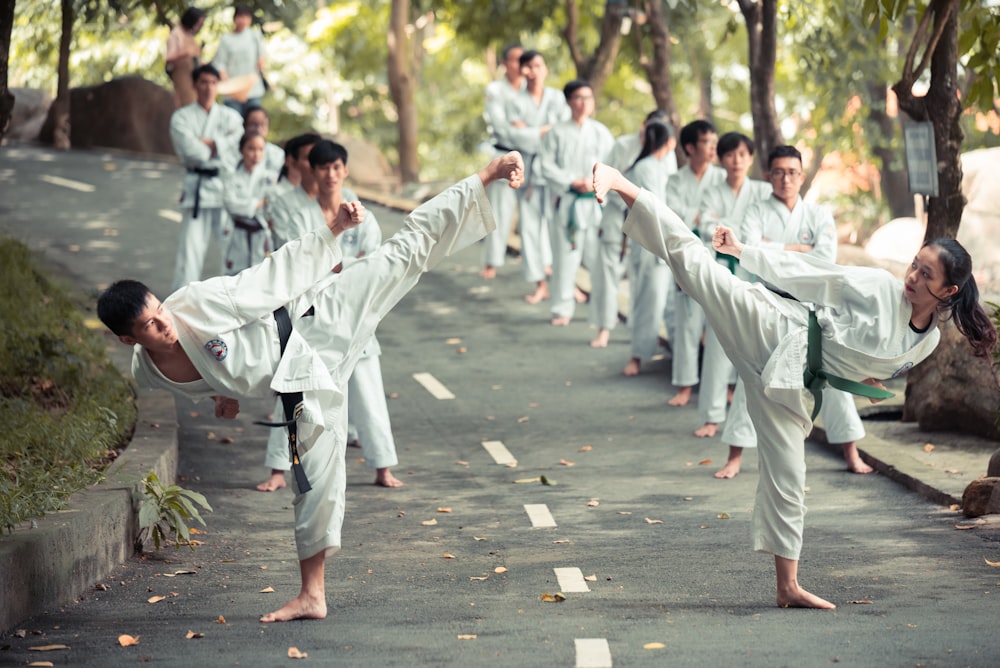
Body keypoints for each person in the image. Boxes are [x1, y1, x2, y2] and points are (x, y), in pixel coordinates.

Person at [97, 152, 525, 623]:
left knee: (404, 253)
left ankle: (487, 174)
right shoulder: (148, 371)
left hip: (316, 321)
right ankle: (312, 595)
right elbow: (211, 366)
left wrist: (334, 232)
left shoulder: (192, 305)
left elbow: (265, 279)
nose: (164, 325)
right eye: (150, 326)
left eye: (160, 312)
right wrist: (222, 393)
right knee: (314, 480)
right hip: (301, 381)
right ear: (128, 339)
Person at [592, 160, 996, 610]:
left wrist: (863, 379)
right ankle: (622, 183)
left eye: (926, 275)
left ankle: (788, 586)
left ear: (951, 291)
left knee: (789, 476)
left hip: (794, 385)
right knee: (698, 268)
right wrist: (745, 253)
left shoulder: (929, 341)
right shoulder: (882, 287)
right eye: (914, 266)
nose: (912, 278)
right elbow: (818, 275)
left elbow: (871, 371)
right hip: (775, 331)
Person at [257, 140, 404, 491]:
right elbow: (296, 260)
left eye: (337, 167)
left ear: (346, 170)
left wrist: (337, 266)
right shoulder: (296, 211)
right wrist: (331, 267)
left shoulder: (358, 210)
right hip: (312, 316)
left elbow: (374, 263)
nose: (331, 174)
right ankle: (278, 470)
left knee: (368, 392)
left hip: (354, 313)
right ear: (312, 170)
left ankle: (383, 466)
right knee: (296, 390)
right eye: (324, 167)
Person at [715, 145, 869, 478]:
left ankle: (851, 452)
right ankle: (735, 456)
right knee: (752, 374)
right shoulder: (755, 211)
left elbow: (824, 258)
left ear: (802, 175)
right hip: (768, 301)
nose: (786, 179)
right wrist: (799, 251)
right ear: (768, 175)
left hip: (810, 305)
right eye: (779, 172)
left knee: (830, 374)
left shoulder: (818, 213)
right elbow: (749, 252)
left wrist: (774, 251)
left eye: (792, 172)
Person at [693, 132, 771, 439]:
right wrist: (745, 236)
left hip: (754, 277)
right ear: (721, 159)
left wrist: (734, 232)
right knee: (716, 342)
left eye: (742, 154)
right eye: (729, 155)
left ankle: (757, 418)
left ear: (750, 158)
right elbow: (705, 226)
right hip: (723, 274)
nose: (736, 161)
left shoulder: (763, 191)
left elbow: (759, 234)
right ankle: (711, 416)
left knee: (756, 346)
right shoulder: (711, 191)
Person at [590, 109, 676, 349]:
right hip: (617, 212)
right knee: (608, 272)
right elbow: (603, 176)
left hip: (646, 221)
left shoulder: (666, 156)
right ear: (644, 124)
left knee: (643, 276)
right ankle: (604, 327)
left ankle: (636, 331)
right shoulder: (623, 145)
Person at [537, 80, 614, 327]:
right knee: (565, 258)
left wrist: (594, 183)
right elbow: (545, 166)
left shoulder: (601, 132)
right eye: (579, 98)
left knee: (598, 260)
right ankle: (562, 308)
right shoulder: (556, 132)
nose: (585, 103)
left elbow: (612, 166)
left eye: (588, 98)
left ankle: (601, 312)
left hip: (595, 203)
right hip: (568, 201)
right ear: (569, 101)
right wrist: (572, 181)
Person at [662, 120, 726, 398]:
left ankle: (727, 386)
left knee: (723, 324)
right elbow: (673, 220)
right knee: (687, 322)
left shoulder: (723, 179)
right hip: (686, 257)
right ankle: (686, 385)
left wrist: (700, 217)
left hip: (719, 259)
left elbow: (722, 218)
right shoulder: (675, 180)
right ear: (690, 147)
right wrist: (700, 217)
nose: (713, 147)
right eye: (706, 142)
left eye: (715, 141)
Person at [168, 63, 245, 291]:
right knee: (189, 252)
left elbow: (239, 147)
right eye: (203, 82)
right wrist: (219, 145)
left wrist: (210, 143)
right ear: (194, 84)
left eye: (213, 82)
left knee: (232, 248)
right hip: (197, 189)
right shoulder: (181, 117)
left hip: (224, 188)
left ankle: (236, 298)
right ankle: (182, 304)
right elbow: (194, 152)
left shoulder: (231, 117)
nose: (209, 87)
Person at [503, 49, 571, 304]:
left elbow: (563, 132)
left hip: (554, 171)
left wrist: (534, 132)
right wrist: (543, 132)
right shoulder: (515, 102)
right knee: (530, 228)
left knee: (558, 226)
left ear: (545, 69)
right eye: (528, 67)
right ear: (522, 71)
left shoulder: (556, 97)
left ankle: (564, 282)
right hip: (528, 171)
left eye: (538, 65)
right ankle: (540, 283)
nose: (533, 71)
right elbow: (516, 137)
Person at [618, 121, 677, 374]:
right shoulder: (644, 168)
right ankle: (638, 355)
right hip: (651, 241)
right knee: (649, 300)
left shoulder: (665, 166)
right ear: (669, 142)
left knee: (674, 303)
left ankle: (679, 355)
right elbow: (655, 206)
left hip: (672, 240)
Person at [480, 43, 525, 280]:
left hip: (530, 157)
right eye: (515, 60)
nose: (520, 65)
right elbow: (499, 125)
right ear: (505, 63)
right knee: (499, 212)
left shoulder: (532, 89)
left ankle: (538, 264)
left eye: (523, 60)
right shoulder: (496, 89)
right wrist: (525, 131)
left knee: (533, 214)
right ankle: (491, 262)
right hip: (504, 154)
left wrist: (525, 131)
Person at [221, 131, 278, 275]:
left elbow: (272, 205)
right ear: (242, 150)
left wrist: (256, 204)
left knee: (260, 276)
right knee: (234, 277)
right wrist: (257, 204)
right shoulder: (232, 176)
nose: (256, 154)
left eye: (260, 149)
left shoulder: (269, 178)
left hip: (261, 234)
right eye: (251, 148)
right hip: (238, 234)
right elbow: (230, 204)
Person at [212, 5, 267, 116]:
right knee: (234, 122)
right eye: (240, 17)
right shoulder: (226, 39)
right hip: (233, 89)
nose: (243, 20)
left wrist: (261, 65)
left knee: (253, 121)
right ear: (234, 18)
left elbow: (262, 56)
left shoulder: (254, 36)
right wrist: (226, 80)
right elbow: (220, 63)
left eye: (246, 17)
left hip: (253, 88)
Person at [164, 6, 205, 108]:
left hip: (195, 78)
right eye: (198, 23)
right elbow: (168, 58)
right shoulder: (175, 35)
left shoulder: (190, 36)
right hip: (183, 79)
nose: (199, 27)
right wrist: (185, 52)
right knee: (188, 104)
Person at [243, 106, 285, 175]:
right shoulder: (232, 151)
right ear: (245, 126)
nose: (258, 129)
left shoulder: (277, 154)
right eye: (253, 124)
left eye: (262, 124)